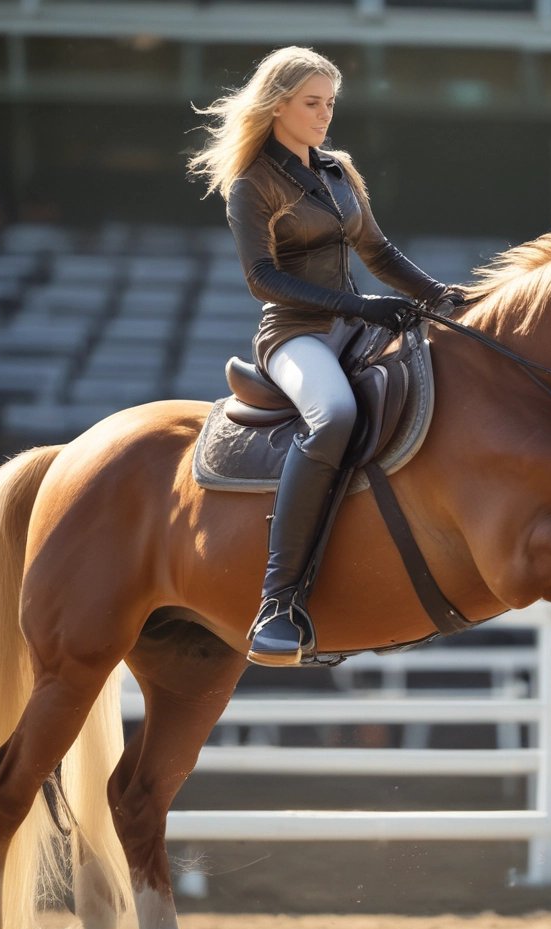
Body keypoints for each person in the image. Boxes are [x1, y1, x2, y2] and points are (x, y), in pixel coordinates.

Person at [188, 46, 462, 667]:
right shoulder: (252, 184)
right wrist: (362, 308)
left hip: (354, 326)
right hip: (296, 335)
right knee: (334, 415)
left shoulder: (338, 172)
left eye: (330, 103)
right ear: (277, 104)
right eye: (312, 103)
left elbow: (382, 254)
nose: (324, 114)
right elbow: (261, 278)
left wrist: (441, 297)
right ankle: (278, 600)